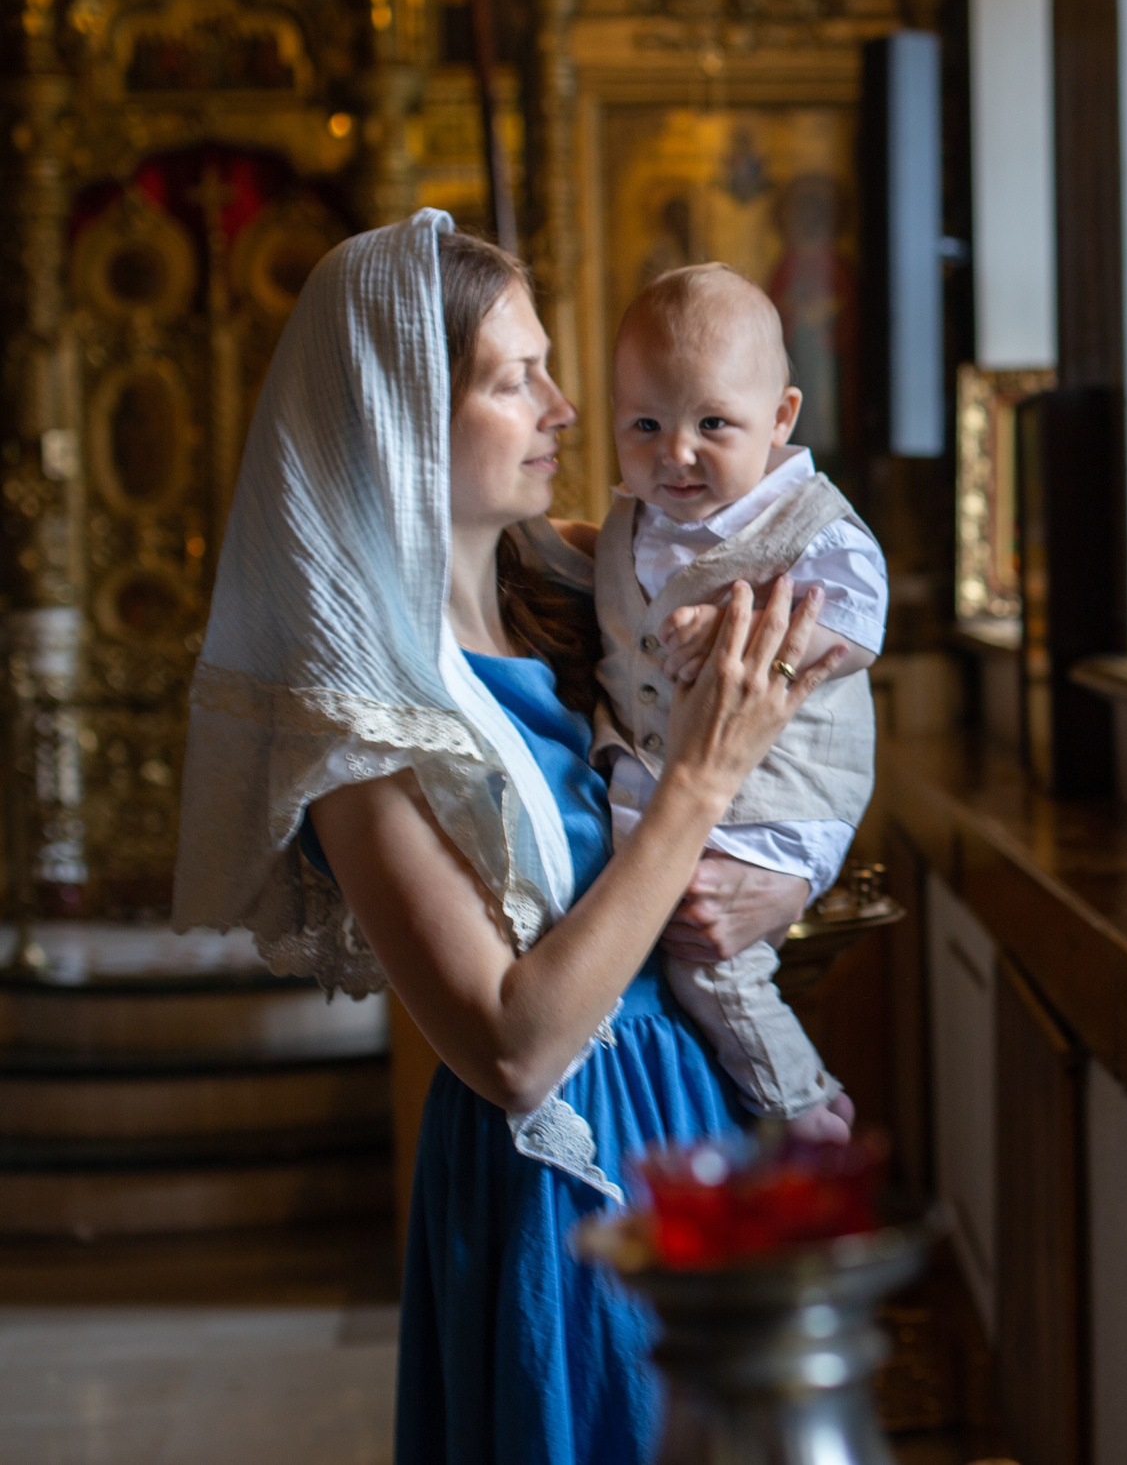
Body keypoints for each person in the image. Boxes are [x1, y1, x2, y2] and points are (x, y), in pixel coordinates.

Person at [172, 210, 852, 1463]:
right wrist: (700, 781)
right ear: (401, 417)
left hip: (689, 1107)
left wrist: (773, 887)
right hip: (563, 1177)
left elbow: (796, 734)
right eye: (512, 379)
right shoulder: (361, 725)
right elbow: (514, 1051)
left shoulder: (594, 584)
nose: (563, 408)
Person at [595, 262, 889, 1144]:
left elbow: (856, 628)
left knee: (708, 966)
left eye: (712, 423)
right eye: (645, 424)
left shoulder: (811, 524)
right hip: (675, 783)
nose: (676, 453)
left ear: (781, 418)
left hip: (782, 792)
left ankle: (806, 1106)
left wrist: (740, 625)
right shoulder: (630, 524)